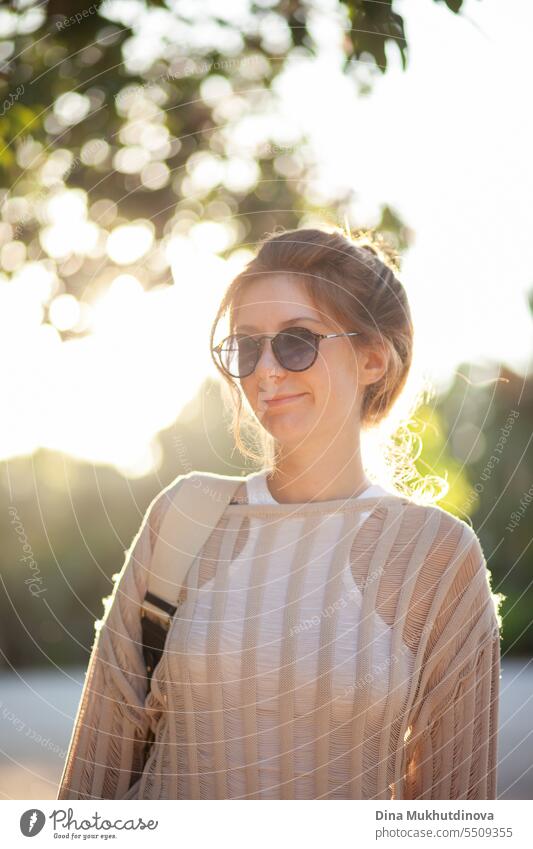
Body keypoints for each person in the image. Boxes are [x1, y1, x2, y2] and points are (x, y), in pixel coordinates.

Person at [57, 227, 502, 800]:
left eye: (297, 341)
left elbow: (454, 815)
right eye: (247, 346)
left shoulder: (437, 555)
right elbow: (95, 770)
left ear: (372, 358)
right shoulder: (184, 517)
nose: (265, 371)